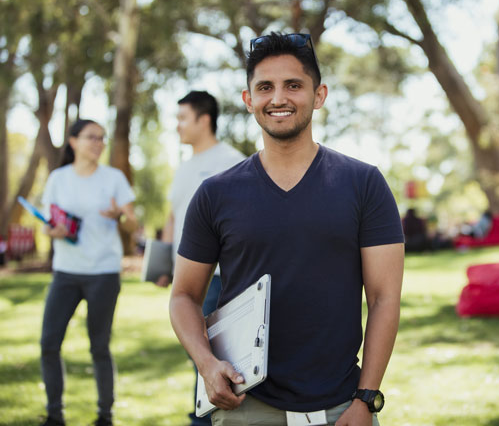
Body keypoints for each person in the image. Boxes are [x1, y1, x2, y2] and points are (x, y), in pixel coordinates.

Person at [169, 32, 405, 426]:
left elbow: (384, 298)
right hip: (246, 407)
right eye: (265, 87)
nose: (278, 98)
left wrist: (366, 398)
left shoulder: (364, 184)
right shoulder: (215, 194)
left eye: (293, 85)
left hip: (343, 408)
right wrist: (207, 365)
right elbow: (184, 296)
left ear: (319, 95)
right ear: (248, 100)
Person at [155, 90, 244, 426]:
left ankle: (203, 418)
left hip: (219, 278)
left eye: (182, 118)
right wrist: (165, 264)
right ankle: (202, 415)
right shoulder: (184, 167)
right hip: (187, 279)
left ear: (203, 119)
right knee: (198, 354)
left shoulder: (231, 161)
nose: (177, 126)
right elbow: (173, 217)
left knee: (212, 357)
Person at [39, 119, 137, 426]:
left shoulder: (114, 178)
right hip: (65, 273)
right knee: (49, 343)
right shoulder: (58, 178)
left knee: (99, 346)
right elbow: (47, 222)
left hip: (103, 273)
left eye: (102, 138)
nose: (98, 143)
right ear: (73, 141)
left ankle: (104, 417)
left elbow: (133, 224)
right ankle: (55, 415)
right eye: (91, 137)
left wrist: (119, 215)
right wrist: (51, 232)